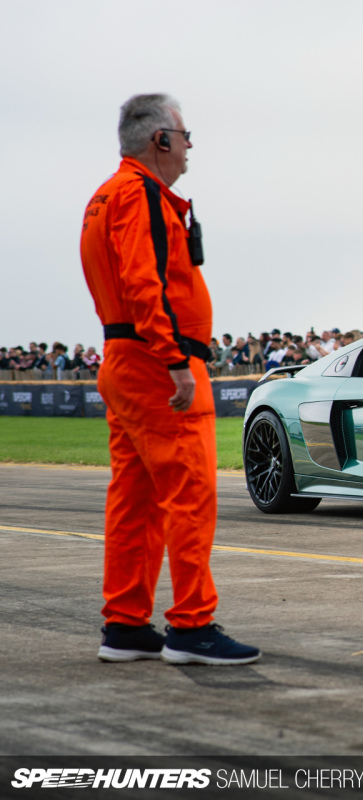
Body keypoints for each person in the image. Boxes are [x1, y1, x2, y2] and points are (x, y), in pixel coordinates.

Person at [80, 94, 259, 665]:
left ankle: (125, 623)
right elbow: (144, 281)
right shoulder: (141, 194)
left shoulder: (104, 196)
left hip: (124, 358)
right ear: (160, 140)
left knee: (134, 500)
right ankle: (192, 625)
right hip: (157, 363)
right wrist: (174, 358)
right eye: (184, 136)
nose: (189, 147)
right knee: (190, 495)